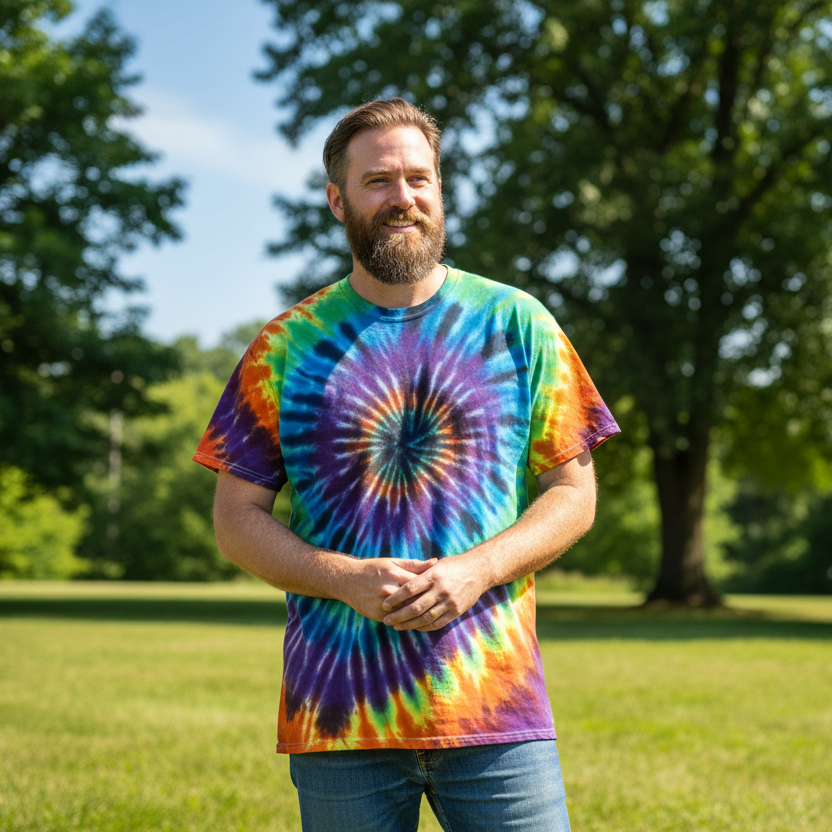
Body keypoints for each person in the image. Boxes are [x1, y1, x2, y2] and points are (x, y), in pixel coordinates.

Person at [193, 97, 620, 832]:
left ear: (441, 190)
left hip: (495, 710)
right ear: (338, 200)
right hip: (341, 715)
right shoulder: (284, 347)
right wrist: (344, 578)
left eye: (419, 179)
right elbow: (236, 520)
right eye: (379, 181)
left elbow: (573, 493)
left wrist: (478, 569)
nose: (404, 198)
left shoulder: (518, 323)